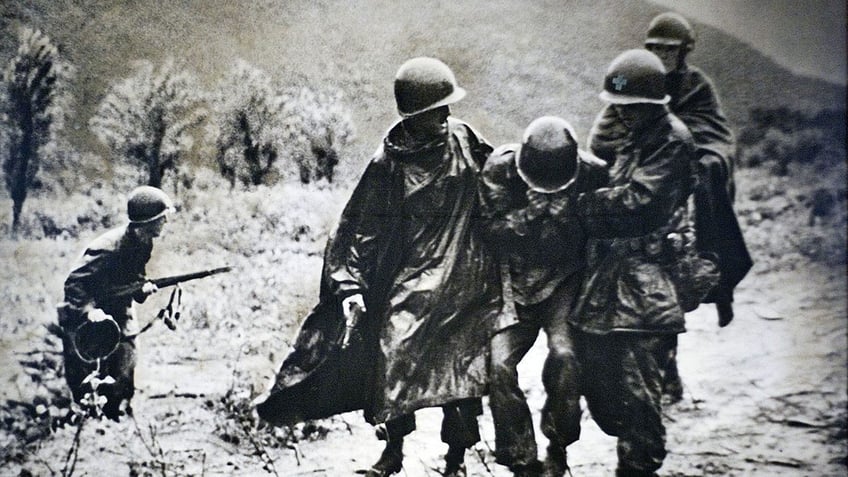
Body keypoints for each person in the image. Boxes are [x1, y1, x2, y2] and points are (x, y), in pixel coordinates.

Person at [255, 57, 501, 477]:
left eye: (448, 107)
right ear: (415, 115)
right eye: (436, 109)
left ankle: (456, 459)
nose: (446, 115)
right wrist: (350, 287)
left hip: (467, 276)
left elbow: (499, 181)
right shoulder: (388, 163)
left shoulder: (465, 139)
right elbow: (360, 230)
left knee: (463, 369)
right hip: (415, 278)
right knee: (392, 353)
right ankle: (392, 452)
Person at [589, 12, 753, 401]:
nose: (662, 55)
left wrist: (675, 146)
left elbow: (712, 132)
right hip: (634, 189)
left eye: (670, 49)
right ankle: (661, 370)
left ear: (684, 52)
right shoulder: (636, 79)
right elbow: (601, 138)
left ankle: (716, 263)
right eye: (656, 48)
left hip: (683, 187)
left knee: (672, 281)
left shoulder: (696, 85)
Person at [570, 49, 697, 477]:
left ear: (650, 104)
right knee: (598, 388)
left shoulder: (672, 141)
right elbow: (605, 174)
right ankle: (633, 445)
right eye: (617, 107)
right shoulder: (631, 135)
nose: (620, 115)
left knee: (640, 395)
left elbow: (639, 202)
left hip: (648, 286)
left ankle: (638, 465)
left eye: (628, 108)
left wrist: (580, 205)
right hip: (606, 280)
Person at [478, 116, 607, 477]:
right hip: (513, 284)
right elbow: (488, 230)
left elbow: (604, 225)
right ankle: (520, 460)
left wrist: (569, 216)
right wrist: (529, 216)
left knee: (565, 356)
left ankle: (559, 446)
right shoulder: (500, 170)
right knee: (499, 366)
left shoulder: (592, 173)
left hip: (564, 281)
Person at [58, 185, 172, 421]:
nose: (165, 223)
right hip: (87, 314)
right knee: (87, 370)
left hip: (118, 308)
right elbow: (74, 283)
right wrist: (89, 311)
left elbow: (133, 278)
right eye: (162, 218)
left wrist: (142, 288)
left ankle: (117, 415)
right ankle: (87, 421)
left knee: (126, 360)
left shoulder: (143, 241)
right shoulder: (107, 248)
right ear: (148, 221)